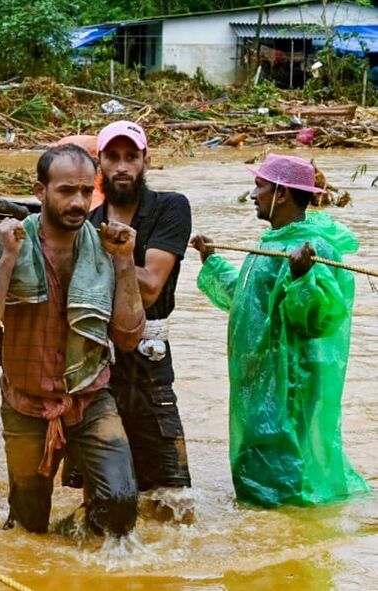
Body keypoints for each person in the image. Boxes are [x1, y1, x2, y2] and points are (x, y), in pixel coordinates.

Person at [0, 144, 145, 537]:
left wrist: (125, 262)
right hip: (26, 403)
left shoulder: (106, 248)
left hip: (89, 396)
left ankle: (73, 543)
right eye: (65, 191)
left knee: (122, 504)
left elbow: (128, 338)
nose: (78, 202)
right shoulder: (2, 243)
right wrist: (8, 260)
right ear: (40, 191)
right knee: (28, 524)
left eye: (85, 191)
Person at [191, 154, 369, 508]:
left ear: (282, 193)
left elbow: (319, 320)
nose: (254, 194)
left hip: (291, 377)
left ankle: (292, 524)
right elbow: (248, 302)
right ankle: (274, 523)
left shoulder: (315, 250)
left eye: (260, 186)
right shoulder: (271, 243)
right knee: (260, 452)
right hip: (260, 377)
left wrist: (303, 277)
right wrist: (211, 259)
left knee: (284, 457)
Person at [87, 121, 193, 522]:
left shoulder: (171, 207)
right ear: (99, 163)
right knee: (100, 498)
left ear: (147, 161)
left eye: (131, 157)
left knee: (172, 499)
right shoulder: (87, 218)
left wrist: (117, 253)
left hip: (150, 360)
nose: (122, 166)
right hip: (96, 359)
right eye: (112, 157)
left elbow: (149, 290)